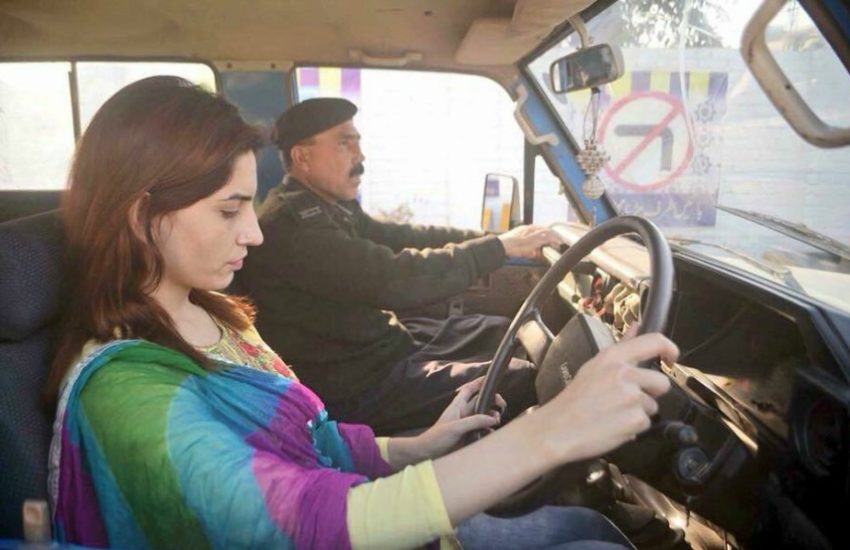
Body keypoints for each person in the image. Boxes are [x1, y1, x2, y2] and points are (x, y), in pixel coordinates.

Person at [46, 76, 678, 549]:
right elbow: (314, 520)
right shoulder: (127, 395)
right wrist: (554, 429)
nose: (254, 234)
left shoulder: (213, 313)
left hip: (353, 490)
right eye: (228, 210)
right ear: (141, 215)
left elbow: (311, 439)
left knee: (589, 527)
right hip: (339, 525)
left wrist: (415, 448)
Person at [233, 97, 563, 433]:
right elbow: (392, 278)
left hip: (379, 348)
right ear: (302, 157)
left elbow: (399, 236)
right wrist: (499, 247)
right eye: (346, 143)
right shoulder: (292, 225)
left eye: (358, 143)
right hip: (355, 383)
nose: (360, 156)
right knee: (517, 377)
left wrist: (497, 239)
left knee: (500, 329)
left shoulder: (326, 205)